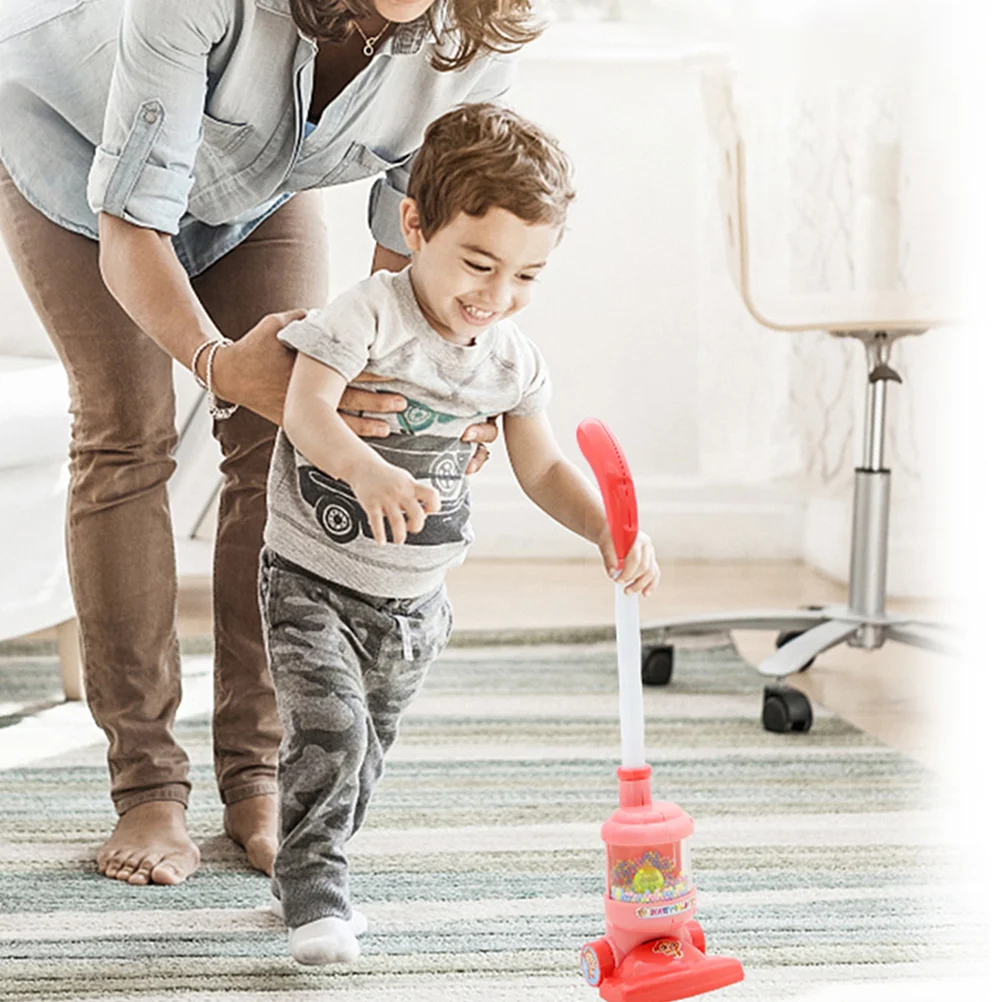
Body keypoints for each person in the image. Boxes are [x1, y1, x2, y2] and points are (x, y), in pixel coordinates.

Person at [0, 0, 544, 887]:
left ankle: (257, 773)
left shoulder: (477, 32)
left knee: (291, 440)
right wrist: (217, 363)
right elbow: (135, 222)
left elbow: (416, 248)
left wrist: (427, 391)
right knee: (125, 434)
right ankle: (147, 787)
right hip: (77, 169)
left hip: (254, 200)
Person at [261, 102, 661, 965]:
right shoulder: (366, 315)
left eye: (525, 277)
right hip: (314, 577)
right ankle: (315, 889)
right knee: (329, 730)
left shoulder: (512, 359)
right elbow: (305, 411)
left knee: (364, 753)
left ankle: (309, 852)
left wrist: (608, 530)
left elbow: (545, 468)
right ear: (415, 226)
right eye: (478, 263)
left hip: (415, 601)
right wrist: (366, 471)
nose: (495, 296)